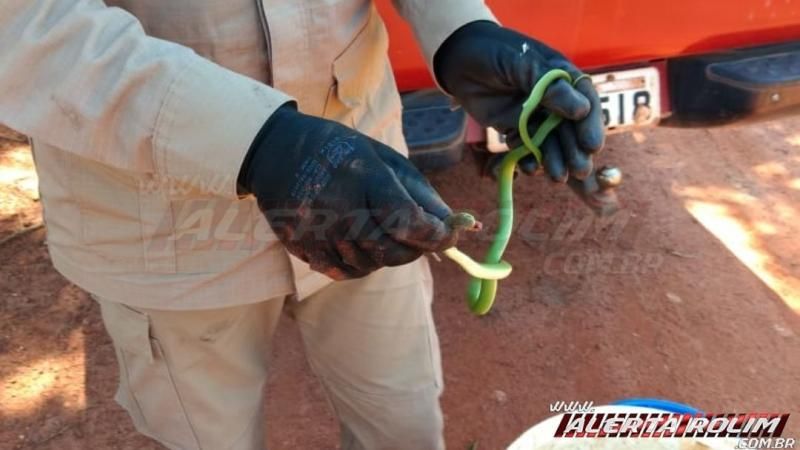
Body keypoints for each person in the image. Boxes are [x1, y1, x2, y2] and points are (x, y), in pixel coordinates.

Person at [0, 1, 604, 449]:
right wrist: (257, 142)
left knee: (404, 428)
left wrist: (456, 28)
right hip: (163, 228)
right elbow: (24, 24)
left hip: (370, 185)